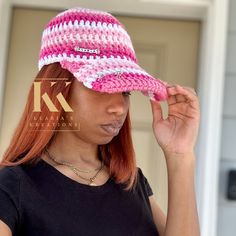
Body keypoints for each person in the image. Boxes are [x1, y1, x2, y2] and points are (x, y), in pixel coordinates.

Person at [0, 7, 200, 236]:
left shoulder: (132, 183)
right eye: (100, 88)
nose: (119, 108)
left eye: (125, 92)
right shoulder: (12, 186)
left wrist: (180, 155)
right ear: (55, 88)